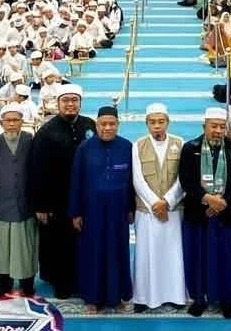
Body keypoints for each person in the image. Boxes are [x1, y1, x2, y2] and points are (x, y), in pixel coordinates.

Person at [179, 107, 231, 319]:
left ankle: (226, 300)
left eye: (221, 126)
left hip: (227, 215)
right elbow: (186, 181)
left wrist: (223, 202)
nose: (217, 131)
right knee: (200, 258)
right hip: (200, 215)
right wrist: (208, 199)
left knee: (227, 259)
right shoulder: (190, 148)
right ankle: (200, 299)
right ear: (204, 127)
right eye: (213, 126)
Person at [29, 84, 95, 299]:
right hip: (57, 198)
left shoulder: (89, 125)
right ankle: (61, 283)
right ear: (57, 104)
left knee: (80, 239)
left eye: (74, 100)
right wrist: (40, 204)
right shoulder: (47, 131)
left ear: (80, 103)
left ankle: (80, 277)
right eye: (66, 101)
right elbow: (37, 169)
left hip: (84, 196)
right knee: (58, 242)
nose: (70, 104)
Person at [69, 104, 134, 313]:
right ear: (96, 125)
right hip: (92, 212)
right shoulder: (85, 148)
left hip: (118, 211)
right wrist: (76, 212)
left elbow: (133, 181)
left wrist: (131, 208)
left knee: (117, 252)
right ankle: (92, 298)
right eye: (103, 124)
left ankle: (116, 297)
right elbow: (76, 181)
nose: (107, 128)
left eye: (112, 124)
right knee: (93, 253)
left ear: (118, 125)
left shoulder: (127, 147)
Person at [131, 103, 187, 311]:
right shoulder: (138, 145)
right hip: (147, 211)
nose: (157, 126)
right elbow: (137, 179)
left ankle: (175, 295)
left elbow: (183, 178)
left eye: (161, 122)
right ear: (146, 124)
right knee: (147, 254)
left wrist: (168, 201)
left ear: (168, 122)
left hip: (172, 210)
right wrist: (155, 203)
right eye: (152, 122)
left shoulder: (179, 143)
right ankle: (144, 298)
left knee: (173, 253)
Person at [0, 104, 38, 299]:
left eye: (16, 120)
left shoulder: (30, 140)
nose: (12, 124)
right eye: (8, 120)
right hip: (3, 203)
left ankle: (27, 284)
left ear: (22, 122)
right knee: (4, 246)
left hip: (26, 204)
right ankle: (4, 284)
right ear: (1, 123)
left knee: (26, 246)